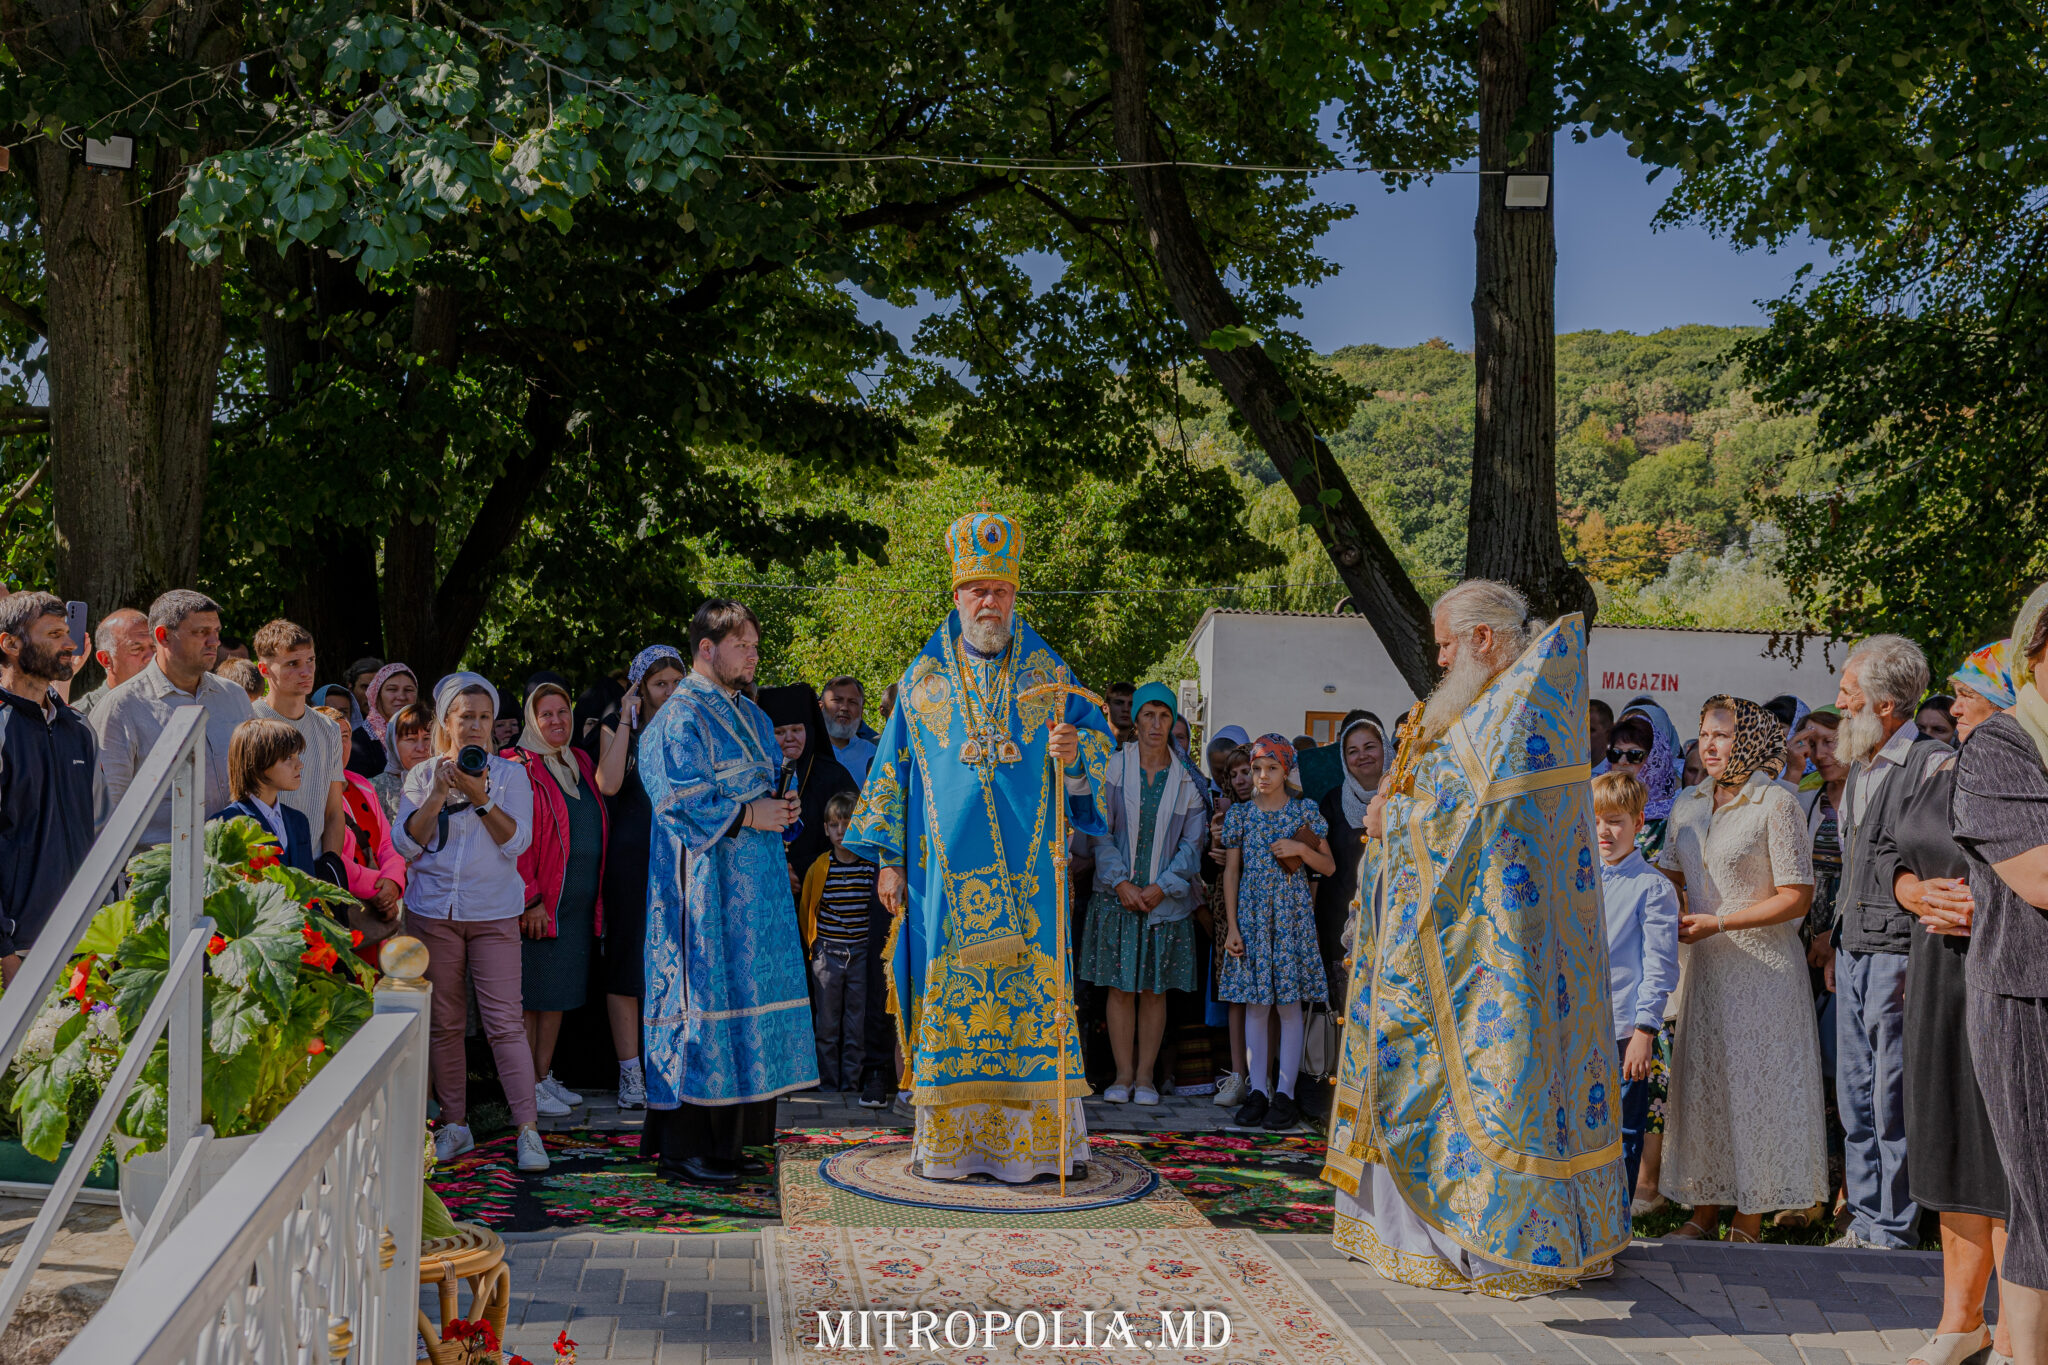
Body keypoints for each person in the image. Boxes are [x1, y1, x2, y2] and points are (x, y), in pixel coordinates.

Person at [1324, 579, 1626, 1297]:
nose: (1439, 659)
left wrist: (1390, 821)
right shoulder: (1493, 705)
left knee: (1487, 1085)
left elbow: (1461, 825)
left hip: (1482, 953)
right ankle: (1412, 1228)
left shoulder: (1511, 713)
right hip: (1457, 939)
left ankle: (1488, 1240)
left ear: (1483, 639)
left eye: (1446, 645)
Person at [843, 512, 1116, 1182]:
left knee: (1030, 1007)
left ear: (1015, 594)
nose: (989, 601)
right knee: (954, 1004)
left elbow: (1099, 752)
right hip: (944, 884)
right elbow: (891, 774)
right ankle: (952, 1148)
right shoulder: (923, 682)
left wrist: (1074, 758)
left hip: (1030, 889)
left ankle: (1037, 1146)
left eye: (1000, 589)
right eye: (977, 590)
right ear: (958, 595)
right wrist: (890, 861)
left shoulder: (1050, 674)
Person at [639, 600, 816, 1186]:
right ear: (707, 648)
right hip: (703, 894)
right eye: (743, 645)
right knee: (705, 1007)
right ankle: (685, 1148)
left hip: (758, 891)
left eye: (755, 646)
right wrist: (749, 814)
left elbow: (767, 791)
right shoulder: (678, 717)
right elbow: (677, 801)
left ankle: (730, 1144)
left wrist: (784, 808)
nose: (753, 656)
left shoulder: (756, 718)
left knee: (747, 1004)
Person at [1881, 642, 2015, 1365]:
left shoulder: (2033, 772)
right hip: (1937, 975)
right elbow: (1890, 858)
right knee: (1950, 1143)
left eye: (1969, 691)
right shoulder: (1941, 769)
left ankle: (2020, 1330)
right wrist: (1914, 892)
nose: (1953, 704)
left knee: (2007, 1155)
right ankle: (1961, 1322)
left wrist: (1984, 907)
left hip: (2010, 979)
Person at [1657, 695, 1826, 1241]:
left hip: (1763, 972)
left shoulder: (1775, 803)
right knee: (1706, 1090)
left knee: (1757, 1091)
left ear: (1749, 739)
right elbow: (1670, 878)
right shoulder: (1687, 803)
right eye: (1705, 734)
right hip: (1706, 970)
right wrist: (1672, 912)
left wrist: (1721, 922)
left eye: (1723, 735)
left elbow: (1797, 896)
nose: (1710, 745)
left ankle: (1750, 1216)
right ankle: (1703, 1211)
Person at [393, 673, 547, 1174]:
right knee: (445, 1023)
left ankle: (527, 1130)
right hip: (433, 911)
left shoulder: (511, 776)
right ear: (447, 722)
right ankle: (455, 1125)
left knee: (505, 1023)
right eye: (467, 717)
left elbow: (517, 842)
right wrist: (439, 792)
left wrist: (481, 796)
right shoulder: (423, 775)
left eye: (485, 717)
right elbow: (406, 844)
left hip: (493, 911)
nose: (477, 726)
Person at [1951, 584, 2048, 1365]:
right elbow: (2041, 877)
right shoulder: (2002, 746)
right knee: (2043, 1200)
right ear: (2032, 654)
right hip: (2026, 999)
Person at [1829, 634, 1945, 1251]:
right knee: (1855, 1093)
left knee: (1890, 1092)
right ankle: (1866, 1219)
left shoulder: (1930, 765)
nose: (1839, 704)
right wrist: (1835, 937)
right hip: (1853, 946)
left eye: (1849, 693)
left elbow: (1928, 862)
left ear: (1886, 704)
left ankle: (1895, 1228)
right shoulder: (1862, 764)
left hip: (1898, 950)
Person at [1080, 682, 1206, 1105]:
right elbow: (1100, 830)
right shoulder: (1114, 767)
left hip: (1162, 901)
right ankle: (1122, 1077)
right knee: (1119, 989)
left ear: (1172, 721)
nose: (1156, 724)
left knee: (1154, 990)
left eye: (1164, 715)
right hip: (1116, 896)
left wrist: (1161, 887)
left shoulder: (1187, 779)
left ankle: (1147, 1079)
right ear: (1135, 719)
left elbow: (1192, 844)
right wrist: (1121, 882)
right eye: (1148, 714)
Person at [503, 678, 608, 1120]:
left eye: (562, 711)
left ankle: (542, 1075)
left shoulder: (578, 759)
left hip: (577, 902)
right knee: (533, 998)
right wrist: (531, 899)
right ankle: (525, 1085)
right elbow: (516, 841)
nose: (556, 720)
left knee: (558, 995)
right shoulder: (517, 765)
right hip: (541, 902)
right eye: (545, 714)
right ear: (531, 719)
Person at [1217, 733, 1331, 1130]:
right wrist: (1232, 927)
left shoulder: (1304, 813)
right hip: (1252, 920)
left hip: (1291, 920)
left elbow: (1329, 866)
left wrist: (1301, 850)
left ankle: (1285, 1094)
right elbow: (1231, 872)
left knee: (1289, 1007)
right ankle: (1258, 1092)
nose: (1262, 775)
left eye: (1272, 767)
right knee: (1256, 1005)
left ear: (1286, 771)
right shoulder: (1241, 816)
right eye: (1257, 768)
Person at [594, 644, 686, 1110]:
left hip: (683, 855)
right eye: (659, 684)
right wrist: (627, 720)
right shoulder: (618, 726)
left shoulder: (692, 725)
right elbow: (608, 783)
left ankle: (672, 1064)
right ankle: (631, 1072)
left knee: (681, 960)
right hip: (632, 859)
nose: (669, 691)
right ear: (640, 688)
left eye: (676, 682)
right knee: (628, 962)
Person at [93, 590, 256, 847]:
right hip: (159, 865)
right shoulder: (121, 707)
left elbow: (255, 781)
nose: (214, 641)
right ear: (163, 636)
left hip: (235, 859)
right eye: (201, 632)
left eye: (216, 631)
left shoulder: (234, 696)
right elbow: (108, 814)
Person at [0, 593, 98, 985]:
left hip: (84, 942)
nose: (70, 645)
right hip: (19, 949)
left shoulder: (80, 729)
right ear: (10, 643)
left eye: (67, 633)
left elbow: (97, 832)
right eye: (54, 634)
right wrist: (4, 952)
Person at [1592, 773, 1680, 1200]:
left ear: (1639, 822)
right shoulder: (1578, 881)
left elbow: (1659, 967)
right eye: (1596, 821)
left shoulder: (1652, 887)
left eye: (1615, 821)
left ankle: (1616, 1219)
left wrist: (1644, 1032)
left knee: (1623, 1132)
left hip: (1623, 1029)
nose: (1604, 831)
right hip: (1578, 1027)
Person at [798, 790, 880, 1092]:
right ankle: (828, 1085)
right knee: (827, 1023)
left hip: (860, 953)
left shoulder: (869, 867)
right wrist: (814, 945)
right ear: (825, 829)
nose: (841, 831)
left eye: (848, 824)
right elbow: (808, 907)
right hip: (828, 953)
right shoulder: (821, 866)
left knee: (856, 1023)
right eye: (834, 825)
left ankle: (851, 1084)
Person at [313, 705, 407, 959]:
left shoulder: (361, 783)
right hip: (342, 909)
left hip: (377, 906)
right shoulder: (310, 792)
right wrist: (378, 890)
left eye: (345, 736)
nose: (340, 745)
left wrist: (393, 882)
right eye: (331, 737)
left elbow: (387, 843)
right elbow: (330, 855)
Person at [251, 620, 345, 858]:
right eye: (292, 663)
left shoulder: (329, 729)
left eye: (310, 660)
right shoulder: (249, 722)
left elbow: (334, 811)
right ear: (264, 669)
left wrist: (331, 862)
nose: (306, 671)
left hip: (313, 861)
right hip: (263, 861)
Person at [757, 683, 858, 899]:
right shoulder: (755, 776)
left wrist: (803, 871)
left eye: (796, 730)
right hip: (764, 889)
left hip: (823, 895)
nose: (789, 738)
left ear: (809, 731)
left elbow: (854, 838)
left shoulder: (834, 776)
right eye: (779, 732)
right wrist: (777, 871)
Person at [1316, 714, 1384, 1000]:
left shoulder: (1406, 796)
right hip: (1340, 923)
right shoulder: (1332, 802)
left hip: (1390, 922)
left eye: (1370, 747)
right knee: (1347, 1010)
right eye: (1352, 751)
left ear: (1385, 748)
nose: (1362, 756)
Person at [211, 718, 315, 873]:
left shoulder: (299, 821)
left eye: (297, 755)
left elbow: (309, 882)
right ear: (259, 761)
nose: (300, 765)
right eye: (289, 757)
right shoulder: (226, 824)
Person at [70, 607, 151, 719]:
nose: (151, 657)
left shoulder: (170, 705)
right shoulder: (80, 718)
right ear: (106, 659)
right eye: (137, 649)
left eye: (154, 647)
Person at [349, 663, 419, 779]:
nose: (401, 697)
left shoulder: (425, 735)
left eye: (408, 690)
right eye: (392, 689)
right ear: (377, 695)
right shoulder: (358, 742)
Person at [373, 701, 435, 821]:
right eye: (411, 739)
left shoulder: (448, 782)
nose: (421, 748)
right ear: (393, 744)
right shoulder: (376, 789)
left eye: (427, 738)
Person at [819, 676, 877, 783]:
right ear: (821, 707)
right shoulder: (804, 751)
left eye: (852, 702)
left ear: (861, 711)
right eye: (837, 700)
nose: (844, 707)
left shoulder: (874, 755)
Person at [1106, 681, 1137, 747]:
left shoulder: (1145, 747)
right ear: (1105, 708)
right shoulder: (1088, 741)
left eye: (1131, 704)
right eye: (1119, 703)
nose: (1126, 709)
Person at [1590, 698, 1615, 776]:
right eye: (1578, 730)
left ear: (1609, 733)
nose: (1582, 736)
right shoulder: (1566, 769)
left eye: (1590, 730)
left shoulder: (1618, 773)